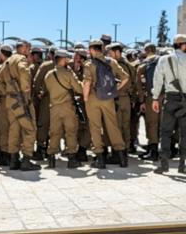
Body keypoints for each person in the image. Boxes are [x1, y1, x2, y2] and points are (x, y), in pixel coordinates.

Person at [83, 39, 129, 169]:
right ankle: (122, 157)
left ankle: (100, 159)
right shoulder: (112, 61)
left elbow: (87, 83)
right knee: (113, 126)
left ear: (92, 50)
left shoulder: (89, 64)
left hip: (93, 98)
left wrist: (85, 98)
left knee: (95, 127)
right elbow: (125, 77)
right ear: (101, 48)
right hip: (108, 98)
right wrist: (115, 90)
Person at [0, 41, 41, 171]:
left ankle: (14, 160)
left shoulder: (8, 61)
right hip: (21, 100)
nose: (29, 50)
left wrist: (8, 92)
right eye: (28, 48)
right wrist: (25, 93)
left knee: (14, 129)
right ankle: (26, 159)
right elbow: (24, 72)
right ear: (22, 48)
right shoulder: (21, 59)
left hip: (10, 101)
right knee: (30, 129)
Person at [152, 34, 186, 174]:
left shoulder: (164, 59)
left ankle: (164, 165)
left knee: (165, 133)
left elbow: (158, 80)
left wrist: (155, 98)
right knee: (185, 134)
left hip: (171, 99)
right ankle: (182, 166)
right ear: (183, 45)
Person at [44, 49, 83, 168]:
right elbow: (79, 89)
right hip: (67, 108)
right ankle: (72, 159)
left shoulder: (48, 75)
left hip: (54, 108)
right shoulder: (68, 73)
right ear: (63, 59)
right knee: (70, 132)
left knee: (54, 133)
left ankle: (51, 158)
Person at [137, 43, 161, 161]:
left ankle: (153, 151)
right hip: (164, 97)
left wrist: (141, 100)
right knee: (162, 124)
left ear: (146, 51)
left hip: (151, 97)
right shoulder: (163, 62)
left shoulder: (144, 64)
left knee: (152, 124)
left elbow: (139, 83)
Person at [32, 47, 56, 160]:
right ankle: (52, 150)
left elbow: (36, 83)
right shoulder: (67, 65)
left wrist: (38, 95)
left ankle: (41, 149)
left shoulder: (46, 66)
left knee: (43, 124)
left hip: (46, 99)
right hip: (61, 100)